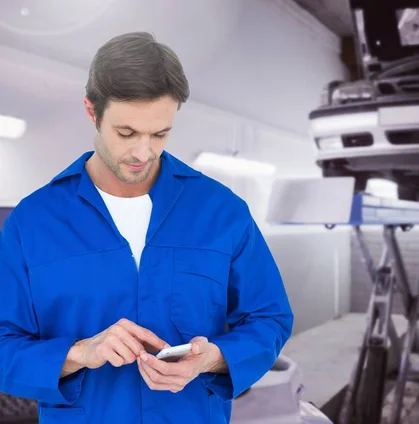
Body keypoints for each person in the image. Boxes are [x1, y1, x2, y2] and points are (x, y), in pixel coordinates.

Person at [0, 31, 294, 423]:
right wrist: (79, 352)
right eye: (127, 133)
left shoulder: (222, 212)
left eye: (160, 134)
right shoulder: (32, 222)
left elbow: (269, 318)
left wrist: (213, 359)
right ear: (92, 111)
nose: (143, 152)